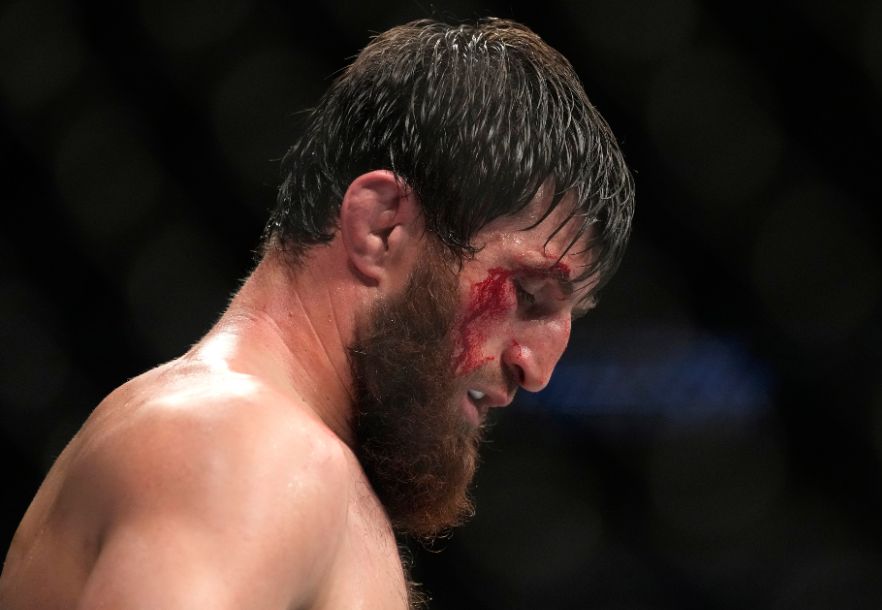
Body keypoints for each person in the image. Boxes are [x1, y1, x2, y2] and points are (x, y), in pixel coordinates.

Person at [0, 17, 633, 610]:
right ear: (381, 229)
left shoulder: (281, 456)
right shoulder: (244, 442)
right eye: (528, 295)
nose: (538, 368)